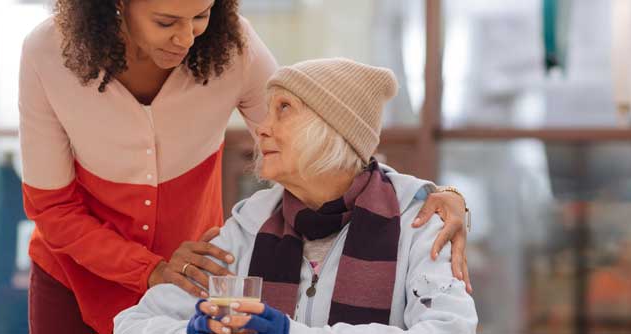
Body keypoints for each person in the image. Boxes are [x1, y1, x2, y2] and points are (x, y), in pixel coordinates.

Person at [19, 1, 473, 332]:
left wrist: (433, 195)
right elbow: (53, 208)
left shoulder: (232, 45)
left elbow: (327, 133)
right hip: (77, 270)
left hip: (194, 263)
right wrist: (157, 280)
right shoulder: (46, 53)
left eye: (201, 16)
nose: (187, 37)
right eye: (165, 21)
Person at [114, 58, 478, 333]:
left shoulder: (417, 220)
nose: (262, 129)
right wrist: (196, 329)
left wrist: (290, 331)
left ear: (333, 129)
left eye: (284, 109)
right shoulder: (249, 225)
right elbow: (131, 324)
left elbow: (450, 328)